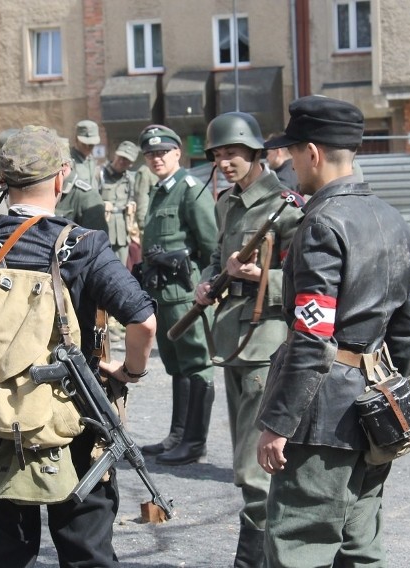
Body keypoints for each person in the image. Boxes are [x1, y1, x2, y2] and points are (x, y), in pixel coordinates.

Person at [0, 125, 157, 567]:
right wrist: (129, 372)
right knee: (86, 550)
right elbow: (144, 322)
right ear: (62, 177)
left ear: (1, 183)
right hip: (74, 418)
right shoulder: (85, 246)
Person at [255, 96, 410, 567]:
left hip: (321, 417)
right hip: (377, 408)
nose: (288, 163)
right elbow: (406, 329)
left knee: (298, 546)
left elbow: (311, 334)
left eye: (290, 152)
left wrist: (278, 422)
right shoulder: (393, 220)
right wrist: (392, 393)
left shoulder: (321, 223)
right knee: (360, 545)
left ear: (312, 152)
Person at [197, 112, 304, 568]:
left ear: (256, 153)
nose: (225, 162)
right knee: (247, 453)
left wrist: (264, 278)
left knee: (255, 463)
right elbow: (217, 260)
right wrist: (207, 282)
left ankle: (256, 561)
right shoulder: (227, 204)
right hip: (232, 339)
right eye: (218, 155)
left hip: (266, 340)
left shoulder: (286, 205)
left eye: (233, 153)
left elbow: (307, 279)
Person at [135, 124, 218, 466]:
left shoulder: (190, 190)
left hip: (186, 296)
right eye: (151, 154)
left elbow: (212, 247)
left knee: (198, 365)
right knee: (176, 366)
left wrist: (202, 286)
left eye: (162, 152)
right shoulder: (159, 192)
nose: (156, 159)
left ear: (177, 153)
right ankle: (177, 435)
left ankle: (194, 442)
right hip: (162, 295)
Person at [56, 119, 108, 232]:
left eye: (92, 145)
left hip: (92, 211)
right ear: (76, 139)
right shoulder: (68, 161)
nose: (89, 148)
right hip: (73, 212)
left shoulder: (91, 161)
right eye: (85, 144)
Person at [100, 140, 140, 265]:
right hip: (103, 230)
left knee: (121, 267)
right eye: (121, 157)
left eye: (126, 160)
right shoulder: (99, 174)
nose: (122, 162)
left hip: (123, 233)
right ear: (115, 154)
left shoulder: (130, 179)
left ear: (131, 164)